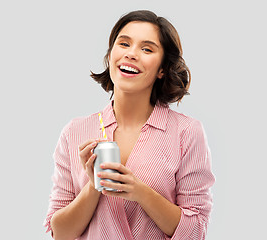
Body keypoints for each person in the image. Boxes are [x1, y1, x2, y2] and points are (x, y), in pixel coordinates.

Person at [44, 10, 215, 240]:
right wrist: (93, 187)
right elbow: (60, 233)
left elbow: (195, 232)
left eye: (147, 49)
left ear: (162, 69)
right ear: (111, 54)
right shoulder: (75, 132)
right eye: (124, 44)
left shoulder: (186, 133)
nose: (131, 54)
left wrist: (140, 192)